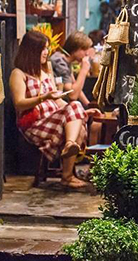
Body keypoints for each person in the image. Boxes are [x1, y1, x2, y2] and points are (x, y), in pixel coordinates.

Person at [10, 31, 97, 189]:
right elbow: (19, 103)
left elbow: (58, 100)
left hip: (53, 118)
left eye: (47, 48)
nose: (46, 52)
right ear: (32, 50)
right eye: (43, 48)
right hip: (35, 124)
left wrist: (83, 113)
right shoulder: (18, 74)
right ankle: (67, 175)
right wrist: (43, 97)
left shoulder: (45, 72)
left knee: (76, 108)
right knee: (76, 114)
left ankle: (69, 147)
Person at [50, 31, 94, 107]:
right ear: (74, 48)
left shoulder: (66, 60)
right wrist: (83, 70)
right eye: (83, 49)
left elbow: (76, 87)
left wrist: (89, 105)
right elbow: (72, 95)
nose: (86, 54)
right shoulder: (59, 62)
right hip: (55, 103)